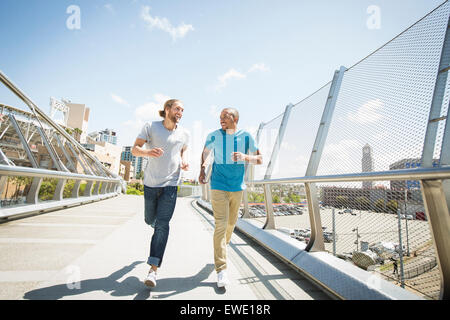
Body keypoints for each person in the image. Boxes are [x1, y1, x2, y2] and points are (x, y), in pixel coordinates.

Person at [199, 108, 262, 288]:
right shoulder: (213, 135)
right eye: (219, 118)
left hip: (237, 187)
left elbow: (260, 159)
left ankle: (222, 248)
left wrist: (245, 157)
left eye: (224, 117)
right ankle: (221, 269)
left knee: (230, 224)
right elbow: (204, 153)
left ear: (234, 119)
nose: (220, 120)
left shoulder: (246, 137)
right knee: (220, 223)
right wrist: (202, 170)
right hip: (218, 184)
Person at [132, 99, 189, 288]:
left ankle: (153, 270)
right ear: (167, 110)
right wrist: (148, 153)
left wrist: (184, 161)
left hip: (172, 183)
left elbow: (182, 151)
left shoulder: (184, 133)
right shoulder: (151, 127)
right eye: (177, 108)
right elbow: (135, 149)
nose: (180, 112)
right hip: (151, 183)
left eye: (182, 110)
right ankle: (155, 225)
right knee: (150, 220)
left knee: (163, 225)